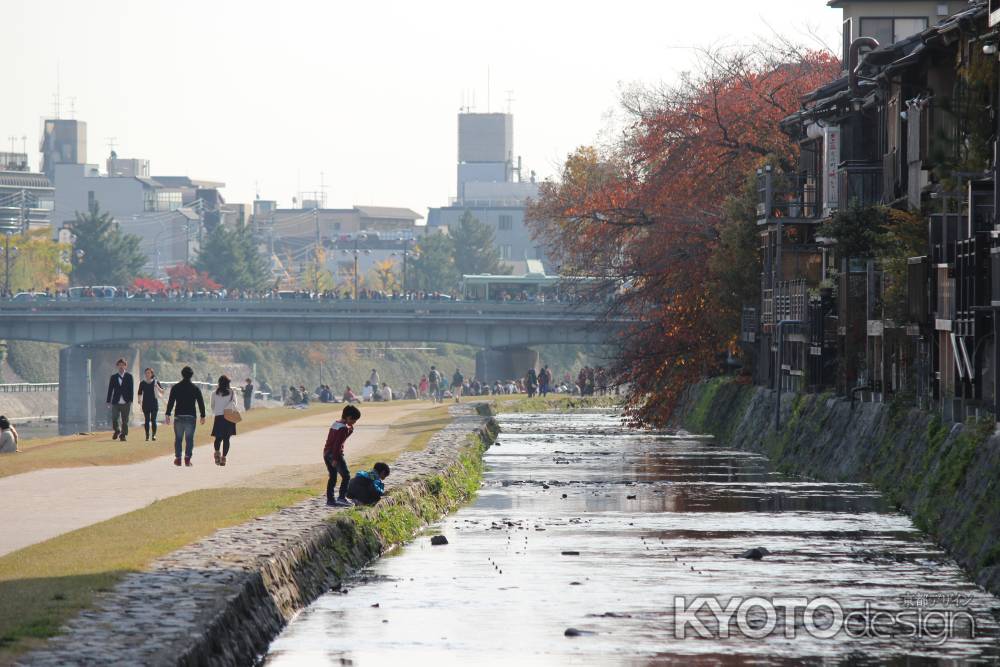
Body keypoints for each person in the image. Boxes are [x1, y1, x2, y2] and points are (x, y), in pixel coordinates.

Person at [164, 366, 206, 467]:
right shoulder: (195, 388)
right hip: (191, 416)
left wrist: (168, 414)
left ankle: (178, 459)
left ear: (182, 374)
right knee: (189, 438)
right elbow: (201, 403)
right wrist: (203, 415)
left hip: (179, 416)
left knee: (178, 438)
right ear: (191, 375)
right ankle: (187, 459)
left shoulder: (175, 387)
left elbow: (171, 402)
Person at [324, 404, 361, 507]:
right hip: (335, 454)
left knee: (332, 477)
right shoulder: (343, 428)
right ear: (349, 417)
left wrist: (349, 433)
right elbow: (338, 444)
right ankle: (341, 498)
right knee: (346, 476)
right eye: (354, 420)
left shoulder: (336, 423)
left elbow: (337, 439)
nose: (354, 422)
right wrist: (336, 458)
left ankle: (330, 500)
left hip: (326, 453)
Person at [211, 375, 238, 466]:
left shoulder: (214, 393)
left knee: (218, 438)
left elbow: (212, 406)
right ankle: (223, 458)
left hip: (218, 417)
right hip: (229, 417)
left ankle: (217, 453)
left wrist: (219, 410)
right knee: (226, 439)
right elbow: (235, 404)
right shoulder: (232, 393)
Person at [105, 358, 135, 441]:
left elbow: (131, 389)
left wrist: (131, 400)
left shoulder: (129, 376)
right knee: (114, 418)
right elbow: (110, 389)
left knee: (125, 420)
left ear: (125, 366)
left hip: (126, 401)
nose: (121, 367)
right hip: (116, 401)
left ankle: (123, 435)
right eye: (119, 365)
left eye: (123, 365)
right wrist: (108, 401)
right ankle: (117, 430)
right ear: (117, 366)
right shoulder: (113, 377)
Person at [136, 367, 164, 442]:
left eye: (149, 373)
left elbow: (162, 391)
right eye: (146, 373)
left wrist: (157, 386)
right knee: (147, 420)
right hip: (146, 403)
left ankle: (154, 435)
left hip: (154, 403)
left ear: (152, 374)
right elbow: (139, 393)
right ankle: (147, 435)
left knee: (153, 420)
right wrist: (139, 401)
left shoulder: (155, 381)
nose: (147, 374)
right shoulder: (142, 383)